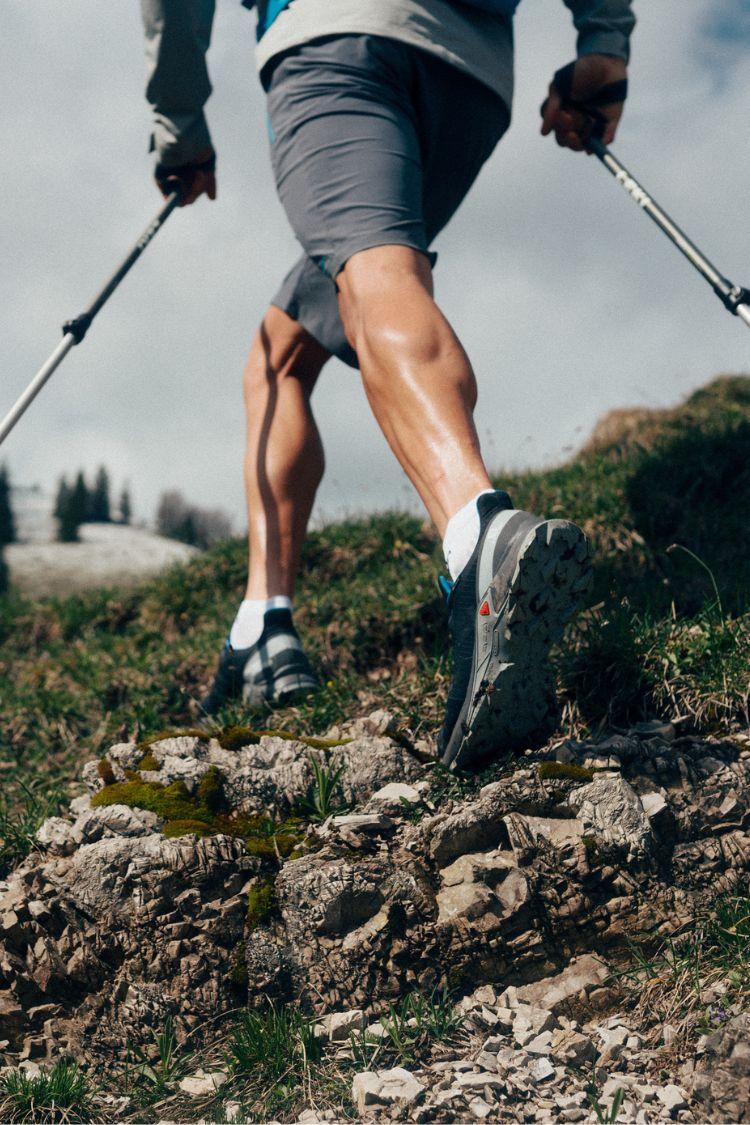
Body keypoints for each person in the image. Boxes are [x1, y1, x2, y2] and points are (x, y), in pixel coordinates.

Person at [140, 0, 635, 770]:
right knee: (277, 357)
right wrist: (603, 49)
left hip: (340, 40)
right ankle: (262, 622)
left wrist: (178, 125)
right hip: (470, 80)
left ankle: (478, 532)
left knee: (376, 274)